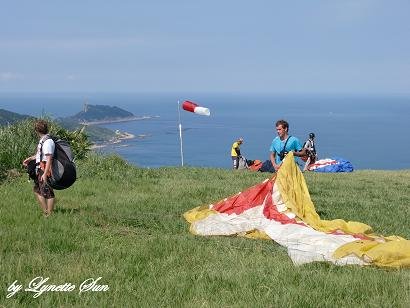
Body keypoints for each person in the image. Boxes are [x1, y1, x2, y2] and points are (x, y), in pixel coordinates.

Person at [23, 120, 56, 217]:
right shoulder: (44, 140)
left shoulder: (47, 142)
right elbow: (40, 155)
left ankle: (49, 214)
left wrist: (45, 174)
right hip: (41, 168)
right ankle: (46, 211)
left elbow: (49, 158)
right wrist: (30, 159)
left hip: (45, 169)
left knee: (48, 192)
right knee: (38, 190)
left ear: (37, 130)